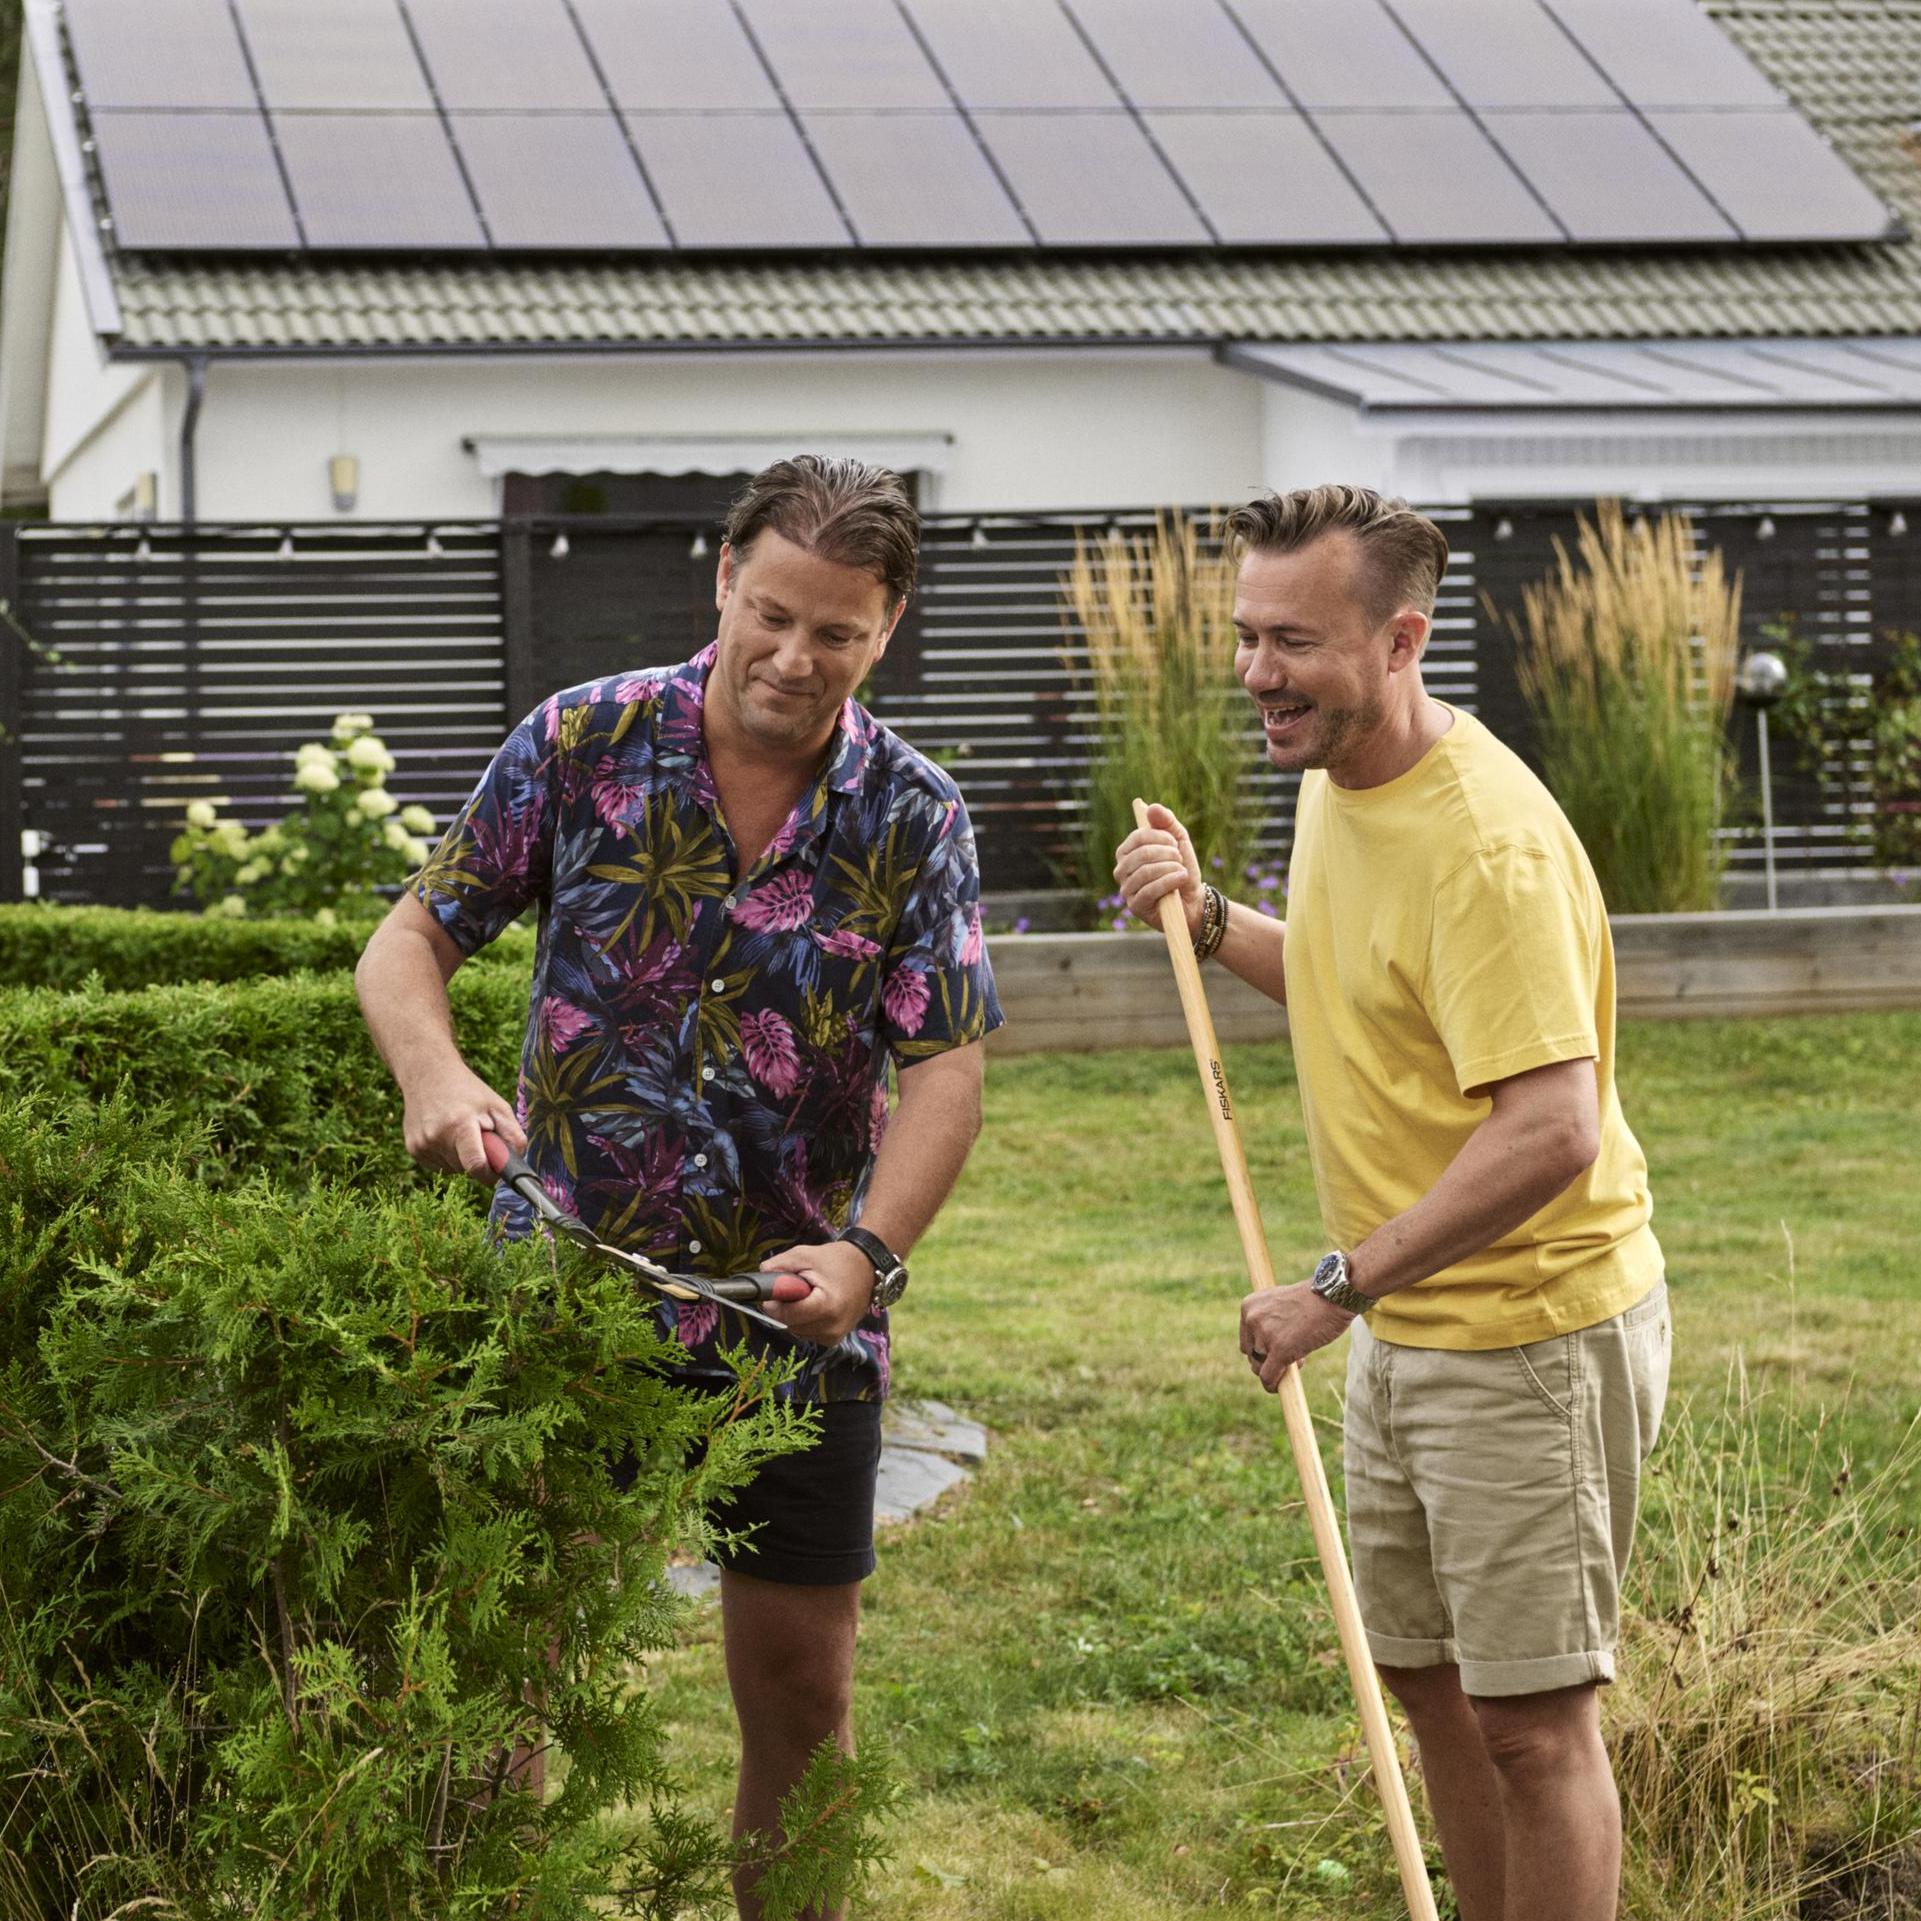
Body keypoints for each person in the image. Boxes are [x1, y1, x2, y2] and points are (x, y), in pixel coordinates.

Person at [355, 455, 1000, 1918]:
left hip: (795, 1328)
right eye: (770, 612)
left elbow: (945, 1075)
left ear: (886, 624)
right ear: (722, 574)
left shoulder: (914, 814)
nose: (792, 655)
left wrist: (868, 1256)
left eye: (834, 631)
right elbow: (407, 945)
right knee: (509, 1675)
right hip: (561, 1300)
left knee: (800, 1702)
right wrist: (436, 1078)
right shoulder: (581, 738)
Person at [1114, 485, 1670, 1921]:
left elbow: (1549, 1123)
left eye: (1289, 641)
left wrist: (1336, 1286)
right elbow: (1369, 995)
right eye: (1245, 636)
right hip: (1404, 1320)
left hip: (1523, 1332)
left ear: (1399, 638)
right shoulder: (1340, 779)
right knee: (1423, 1681)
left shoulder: (1482, 842)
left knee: (1533, 1726)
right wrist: (1213, 918)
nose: (1254, 673)